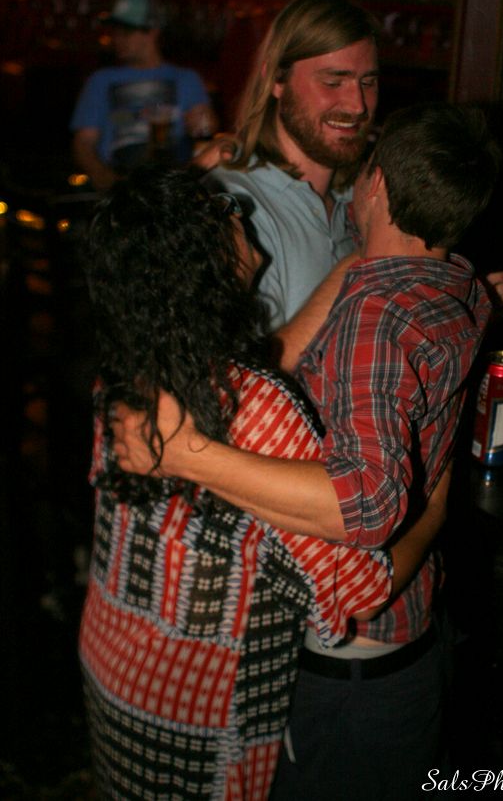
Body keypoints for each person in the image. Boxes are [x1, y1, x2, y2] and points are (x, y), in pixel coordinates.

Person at [114, 101, 500, 798]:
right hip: (408, 638)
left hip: (351, 664)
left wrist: (188, 454)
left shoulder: (371, 321)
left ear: (374, 183)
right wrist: (438, 503)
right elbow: (272, 365)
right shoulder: (461, 286)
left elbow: (364, 512)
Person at [80, 165, 411, 799]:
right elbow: (362, 590)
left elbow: (267, 357)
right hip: (196, 715)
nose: (240, 212)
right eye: (224, 210)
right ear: (204, 261)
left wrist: (355, 265)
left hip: (115, 666)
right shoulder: (256, 405)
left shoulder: (123, 378)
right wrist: (439, 498)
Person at [199, 0, 503, 334]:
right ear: (276, 80)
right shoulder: (232, 206)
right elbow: (233, 365)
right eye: (333, 81)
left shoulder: (368, 191)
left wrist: (458, 312)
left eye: (368, 82)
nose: (357, 105)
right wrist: (368, 258)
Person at [70, 0, 216, 192]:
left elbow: (205, 128)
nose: (117, 39)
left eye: (126, 32)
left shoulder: (186, 79)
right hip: (120, 178)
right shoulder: (101, 80)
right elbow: (84, 142)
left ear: (152, 32)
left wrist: (203, 123)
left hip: (171, 182)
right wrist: (103, 177)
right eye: (115, 32)